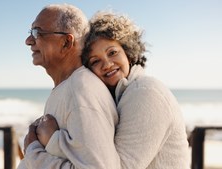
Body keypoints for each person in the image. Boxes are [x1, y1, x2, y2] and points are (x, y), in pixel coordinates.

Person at [35, 11, 191, 168]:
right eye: (95, 61)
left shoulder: (145, 93)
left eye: (112, 52)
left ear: (128, 53)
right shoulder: (122, 95)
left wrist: (53, 141)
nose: (107, 64)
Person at [17, 4, 121, 169]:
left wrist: (33, 151)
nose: (28, 41)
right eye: (30, 33)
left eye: (37, 33)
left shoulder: (81, 91)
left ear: (66, 42)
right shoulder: (70, 87)